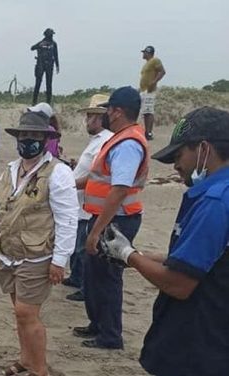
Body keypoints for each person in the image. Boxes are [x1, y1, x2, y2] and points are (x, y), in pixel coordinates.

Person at [100, 107, 229, 376]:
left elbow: (179, 284)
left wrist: (128, 254)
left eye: (179, 155)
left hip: (198, 346)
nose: (176, 166)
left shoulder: (214, 202)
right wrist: (141, 255)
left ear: (204, 149)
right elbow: (205, 261)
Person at [0, 112, 78, 376]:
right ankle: (26, 359)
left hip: (37, 255)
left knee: (26, 312)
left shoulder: (59, 172)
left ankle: (39, 370)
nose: (28, 141)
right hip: (9, 254)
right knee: (19, 311)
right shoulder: (9, 172)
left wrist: (59, 260)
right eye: (24, 136)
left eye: (34, 136)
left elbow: (68, 220)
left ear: (46, 139)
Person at [75, 86, 149, 349]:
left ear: (117, 111)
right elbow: (99, 178)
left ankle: (110, 335)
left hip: (116, 220)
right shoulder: (120, 138)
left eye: (107, 109)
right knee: (95, 276)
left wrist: (97, 231)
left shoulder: (128, 144)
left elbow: (118, 190)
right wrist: (70, 185)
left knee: (107, 278)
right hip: (106, 217)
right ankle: (98, 324)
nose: (105, 114)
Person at [63, 94, 113, 302]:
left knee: (84, 247)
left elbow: (97, 175)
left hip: (89, 202)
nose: (88, 120)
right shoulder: (96, 141)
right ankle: (76, 278)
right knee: (77, 244)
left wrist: (70, 184)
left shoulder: (105, 140)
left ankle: (85, 286)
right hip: (81, 200)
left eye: (92, 116)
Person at [139, 45, 166, 140]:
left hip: (150, 90)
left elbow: (162, 71)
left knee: (149, 111)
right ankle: (146, 131)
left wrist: (154, 81)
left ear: (149, 53)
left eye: (145, 52)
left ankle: (149, 132)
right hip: (144, 90)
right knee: (145, 111)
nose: (143, 54)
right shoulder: (147, 63)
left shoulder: (155, 61)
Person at [31, 28, 60, 105]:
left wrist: (57, 65)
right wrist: (39, 47)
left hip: (50, 66)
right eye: (50, 34)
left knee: (49, 84)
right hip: (40, 64)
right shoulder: (41, 43)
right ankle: (34, 102)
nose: (51, 36)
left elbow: (56, 55)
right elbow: (32, 48)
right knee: (38, 83)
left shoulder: (54, 44)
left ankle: (48, 102)